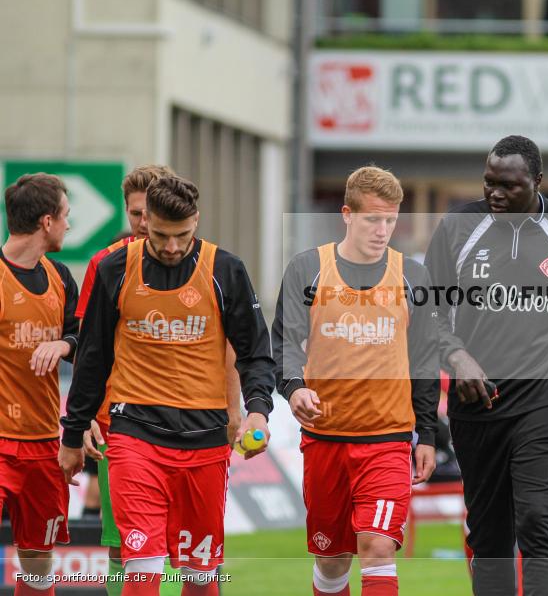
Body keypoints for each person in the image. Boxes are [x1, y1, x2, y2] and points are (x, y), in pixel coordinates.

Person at [59, 175, 275, 596]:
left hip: (206, 440)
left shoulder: (225, 269)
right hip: (134, 435)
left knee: (199, 579)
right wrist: (72, 433)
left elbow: (254, 352)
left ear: (197, 220)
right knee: (142, 568)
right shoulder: (114, 269)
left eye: (183, 235)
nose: (173, 247)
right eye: (161, 235)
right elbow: (92, 359)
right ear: (145, 224)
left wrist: (258, 409)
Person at [424, 135, 548, 595]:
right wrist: (456, 355)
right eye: (488, 183)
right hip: (477, 404)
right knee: (488, 536)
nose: (496, 195)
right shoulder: (457, 227)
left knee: (538, 519)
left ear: (537, 182)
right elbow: (426, 311)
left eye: (509, 185)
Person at [272, 165, 439, 596]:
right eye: (372, 220)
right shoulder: (308, 269)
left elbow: (424, 361)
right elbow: (285, 343)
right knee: (331, 561)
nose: (382, 230)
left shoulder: (412, 277)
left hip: (387, 439)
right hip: (325, 438)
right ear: (347, 214)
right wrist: (294, 388)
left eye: (390, 220)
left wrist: (428, 436)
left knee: (377, 547)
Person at [0, 173, 79, 596]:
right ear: (47, 221)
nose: (70, 225)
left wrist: (65, 344)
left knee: (37, 564)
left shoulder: (61, 277)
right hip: (0, 442)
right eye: (67, 216)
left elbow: (84, 339)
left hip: (46, 443)